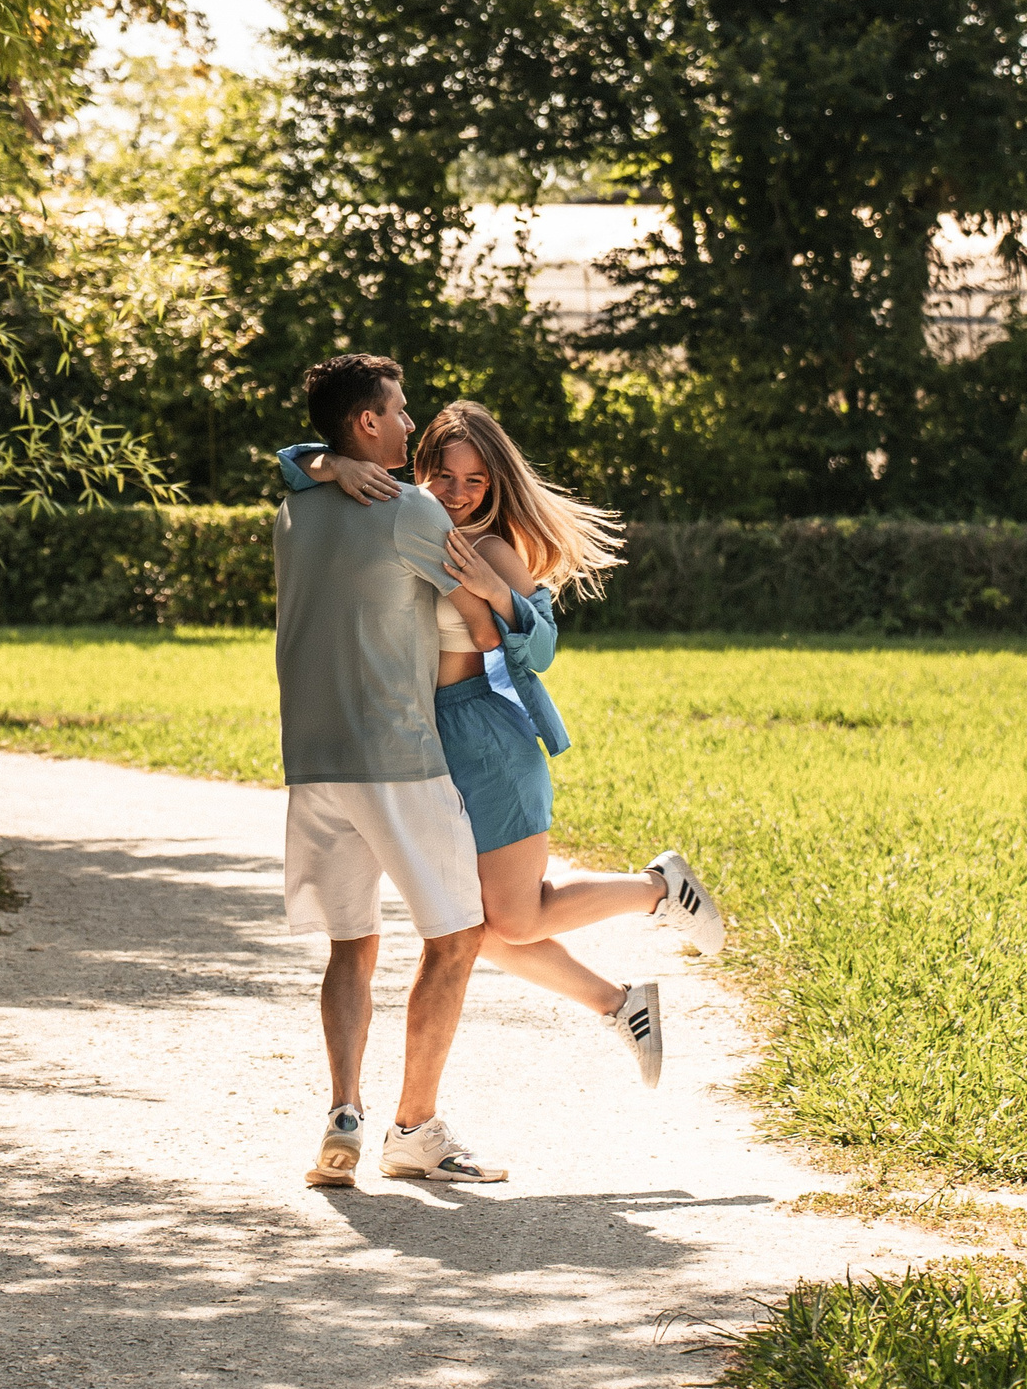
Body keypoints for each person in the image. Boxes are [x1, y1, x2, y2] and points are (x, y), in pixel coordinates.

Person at [279, 401, 728, 1086]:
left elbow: (539, 649)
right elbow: (294, 462)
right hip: (418, 743)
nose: (457, 494)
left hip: (481, 737)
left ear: (495, 488)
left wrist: (495, 590)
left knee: (514, 919)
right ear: (417, 468)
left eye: (476, 482)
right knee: (472, 928)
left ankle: (657, 888)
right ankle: (622, 1004)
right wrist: (330, 460)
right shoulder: (403, 518)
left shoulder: (488, 549)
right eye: (443, 475)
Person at [275, 354, 505, 1189]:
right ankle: (413, 1129)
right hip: (397, 758)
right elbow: (482, 629)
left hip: (312, 761)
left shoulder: (294, 504)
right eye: (400, 413)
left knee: (352, 944)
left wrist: (319, 459)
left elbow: (295, 460)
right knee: (458, 934)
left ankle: (344, 1111)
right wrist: (495, 609)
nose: (412, 426)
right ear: (366, 422)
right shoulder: (408, 508)